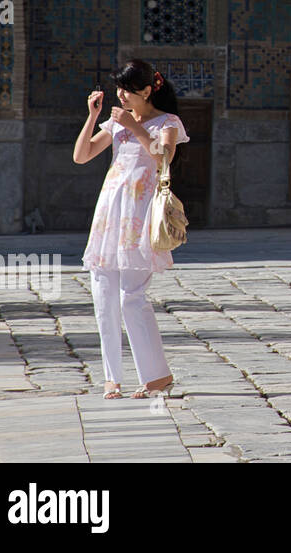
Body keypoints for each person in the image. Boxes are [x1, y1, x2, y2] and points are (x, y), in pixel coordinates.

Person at [73, 59, 189, 400]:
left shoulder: (168, 123)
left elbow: (163, 158)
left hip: (140, 215)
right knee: (103, 296)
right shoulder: (115, 122)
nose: (122, 96)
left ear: (148, 90)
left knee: (132, 298)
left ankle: (156, 376)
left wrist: (136, 128)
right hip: (110, 212)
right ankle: (112, 378)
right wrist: (94, 117)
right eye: (119, 89)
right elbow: (82, 155)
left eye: (128, 90)